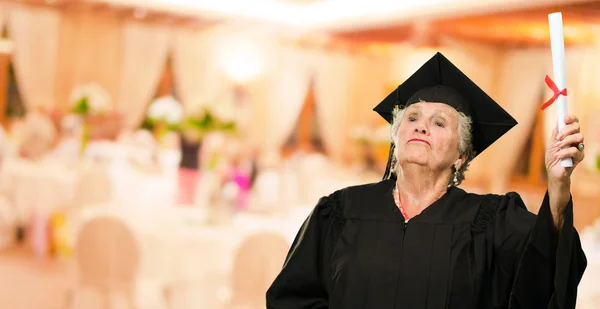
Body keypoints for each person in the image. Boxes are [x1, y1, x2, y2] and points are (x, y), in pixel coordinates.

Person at [266, 52, 587, 309]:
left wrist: (558, 185)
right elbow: (292, 297)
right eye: (413, 117)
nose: (421, 127)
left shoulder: (492, 223)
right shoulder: (339, 211)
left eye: (439, 123)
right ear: (396, 135)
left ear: (461, 154)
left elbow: (547, 269)